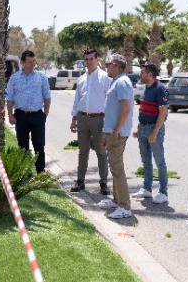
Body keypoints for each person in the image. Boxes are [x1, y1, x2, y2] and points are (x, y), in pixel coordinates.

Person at [70, 49, 112, 195]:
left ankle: (104, 184)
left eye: (91, 59)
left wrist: (107, 124)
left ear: (97, 59)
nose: (88, 62)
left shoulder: (105, 78)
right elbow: (77, 100)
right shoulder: (81, 79)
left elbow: (109, 102)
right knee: (83, 151)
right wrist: (74, 119)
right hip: (82, 118)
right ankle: (80, 181)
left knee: (101, 152)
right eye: (86, 59)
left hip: (99, 119)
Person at [98, 54, 134, 219]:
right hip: (112, 132)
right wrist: (108, 132)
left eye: (108, 64)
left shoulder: (122, 82)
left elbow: (126, 109)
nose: (106, 67)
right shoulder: (116, 81)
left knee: (117, 169)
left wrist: (115, 131)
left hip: (117, 134)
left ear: (116, 66)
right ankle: (116, 200)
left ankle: (125, 207)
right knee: (114, 167)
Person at [6, 50, 51, 173]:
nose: (32, 64)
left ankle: (40, 173)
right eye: (29, 62)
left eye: (33, 62)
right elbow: (9, 98)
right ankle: (25, 173)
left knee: (39, 146)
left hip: (37, 116)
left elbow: (47, 97)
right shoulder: (14, 79)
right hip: (20, 116)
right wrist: (10, 115)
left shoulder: (41, 77)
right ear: (22, 63)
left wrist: (45, 114)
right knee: (22, 146)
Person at [132, 64, 170, 204]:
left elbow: (163, 112)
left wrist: (155, 132)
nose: (140, 75)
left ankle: (163, 192)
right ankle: (147, 189)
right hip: (143, 128)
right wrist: (139, 129)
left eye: (142, 72)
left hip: (154, 129)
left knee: (159, 162)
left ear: (149, 74)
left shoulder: (161, 89)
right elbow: (144, 109)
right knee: (146, 160)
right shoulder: (147, 88)